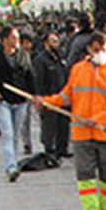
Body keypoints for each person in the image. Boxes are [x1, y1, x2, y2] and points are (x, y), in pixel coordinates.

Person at [35, 32, 106, 210]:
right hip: (82, 133)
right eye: (97, 49)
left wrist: (96, 119)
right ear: (89, 49)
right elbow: (67, 96)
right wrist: (46, 102)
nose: (101, 53)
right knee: (85, 174)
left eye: (104, 49)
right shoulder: (78, 70)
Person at [0, 26, 35, 182]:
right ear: (4, 40)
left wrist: (34, 96)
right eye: (13, 38)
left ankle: (13, 161)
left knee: (16, 135)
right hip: (2, 100)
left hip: (20, 100)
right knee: (7, 134)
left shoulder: (24, 56)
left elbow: (30, 76)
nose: (16, 41)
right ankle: (11, 166)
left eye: (17, 38)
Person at [32, 31, 70, 161]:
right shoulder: (40, 60)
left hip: (62, 97)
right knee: (49, 125)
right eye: (53, 42)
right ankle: (49, 149)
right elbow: (38, 81)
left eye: (57, 41)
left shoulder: (60, 58)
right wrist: (40, 98)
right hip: (48, 97)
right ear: (46, 44)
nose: (57, 44)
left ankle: (62, 148)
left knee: (63, 124)